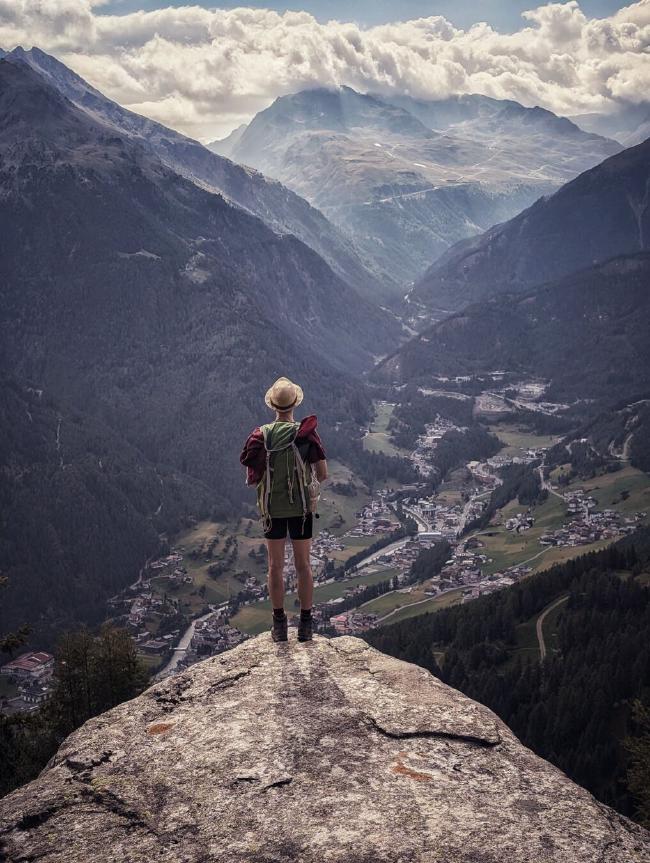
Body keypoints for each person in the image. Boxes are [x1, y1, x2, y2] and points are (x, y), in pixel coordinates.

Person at [240, 377, 327, 643]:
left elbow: (251, 476)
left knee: (275, 566)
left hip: (271, 510)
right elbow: (322, 474)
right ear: (294, 405)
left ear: (273, 406)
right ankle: (306, 624)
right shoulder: (305, 434)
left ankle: (279, 625)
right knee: (303, 565)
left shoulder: (260, 436)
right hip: (301, 508)